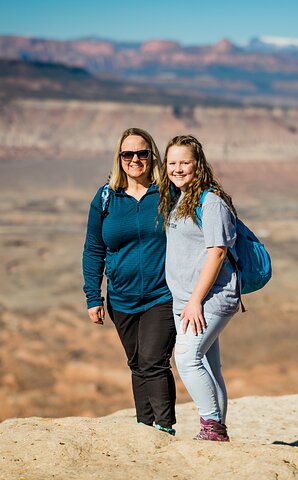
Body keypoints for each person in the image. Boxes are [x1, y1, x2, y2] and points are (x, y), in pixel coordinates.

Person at [82, 127, 177, 435]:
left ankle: (164, 428)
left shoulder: (168, 193)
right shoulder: (106, 197)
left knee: (153, 360)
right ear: (119, 158)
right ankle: (144, 426)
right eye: (128, 154)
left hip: (162, 295)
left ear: (152, 157)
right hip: (121, 299)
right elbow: (93, 249)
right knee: (137, 363)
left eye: (142, 153)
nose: (135, 160)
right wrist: (93, 297)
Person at [158, 134, 240, 442]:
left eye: (185, 162)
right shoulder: (181, 198)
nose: (177, 169)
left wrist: (195, 300)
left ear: (198, 164)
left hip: (208, 299)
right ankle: (216, 431)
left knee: (187, 358)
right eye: (172, 163)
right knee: (208, 364)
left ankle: (211, 427)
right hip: (187, 300)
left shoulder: (211, 202)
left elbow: (217, 252)